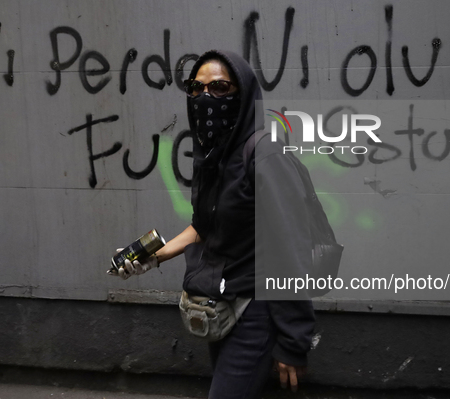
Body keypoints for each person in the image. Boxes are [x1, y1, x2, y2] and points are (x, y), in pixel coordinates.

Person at [109, 50, 315, 399]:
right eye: (196, 88)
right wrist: (152, 258)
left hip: (255, 312)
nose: (206, 98)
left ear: (244, 94)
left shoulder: (266, 157)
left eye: (220, 88)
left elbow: (290, 250)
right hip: (218, 308)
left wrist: (294, 342)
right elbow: (204, 226)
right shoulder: (213, 155)